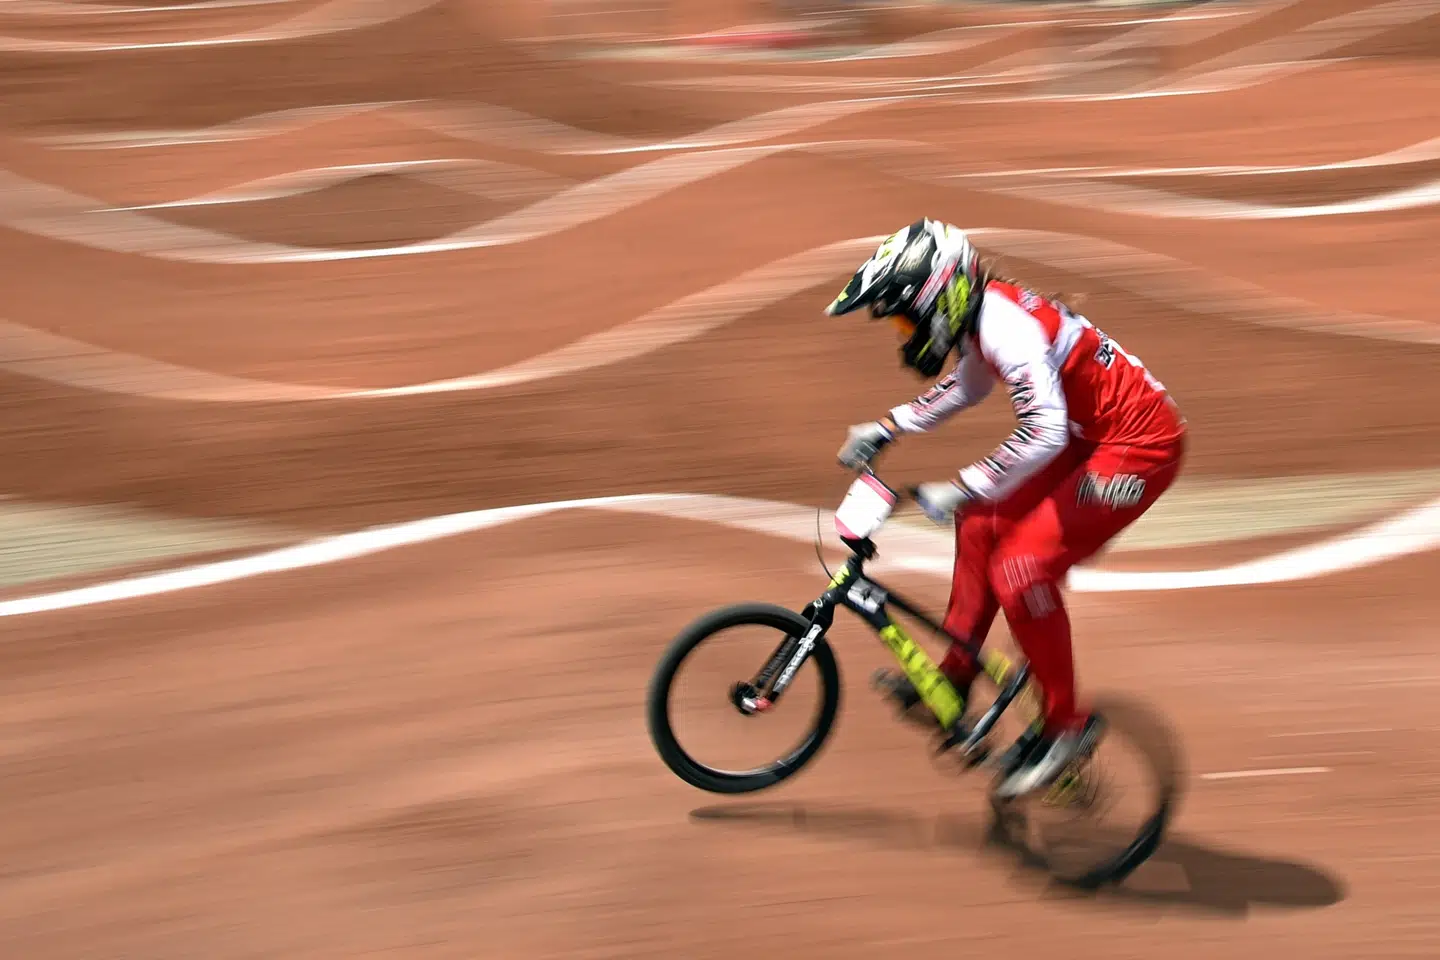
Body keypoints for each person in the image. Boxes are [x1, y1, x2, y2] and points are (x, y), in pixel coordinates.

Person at [825, 218, 1187, 798]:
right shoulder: (982, 319)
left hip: (1139, 450)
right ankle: (956, 678)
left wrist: (964, 482)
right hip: (1091, 437)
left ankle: (1065, 725)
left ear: (939, 296)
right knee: (980, 526)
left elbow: (1041, 431)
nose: (903, 332)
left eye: (903, 316)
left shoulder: (1004, 328)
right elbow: (968, 388)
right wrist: (887, 427)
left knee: (1020, 570)